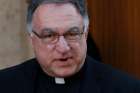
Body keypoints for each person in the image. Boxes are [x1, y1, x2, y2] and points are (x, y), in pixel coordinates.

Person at [0, 0, 140, 93]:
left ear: (85, 34)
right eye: (49, 36)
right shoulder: (5, 85)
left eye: (72, 34)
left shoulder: (127, 88)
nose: (63, 48)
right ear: (32, 39)